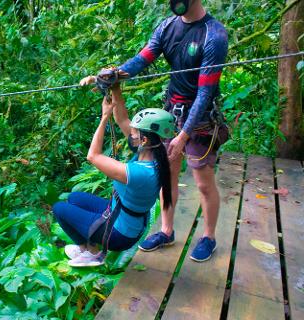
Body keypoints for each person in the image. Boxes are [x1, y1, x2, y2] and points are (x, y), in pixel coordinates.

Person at [81, 0, 229, 262]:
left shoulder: (214, 35)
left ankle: (208, 236)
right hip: (171, 114)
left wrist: (183, 137)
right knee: (166, 174)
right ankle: (166, 231)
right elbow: (141, 60)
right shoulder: (167, 27)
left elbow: (205, 93)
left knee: (203, 183)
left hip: (202, 120)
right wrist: (113, 75)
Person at [52, 85, 176, 267]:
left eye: (134, 133)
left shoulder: (140, 173)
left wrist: (104, 118)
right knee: (74, 198)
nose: (130, 135)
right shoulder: (156, 153)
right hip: (121, 214)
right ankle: (91, 243)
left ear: (144, 140)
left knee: (59, 208)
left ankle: (91, 253)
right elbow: (123, 119)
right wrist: (115, 88)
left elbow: (93, 156)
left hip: (119, 235)